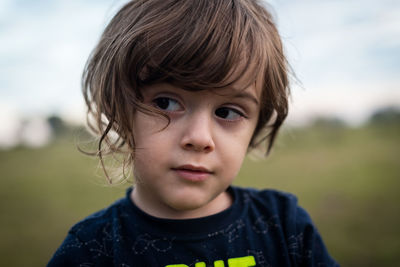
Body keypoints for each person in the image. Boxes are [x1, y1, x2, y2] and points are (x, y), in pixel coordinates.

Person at [48, 0, 339, 266]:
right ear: (119, 108)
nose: (200, 138)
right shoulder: (91, 251)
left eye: (227, 112)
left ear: (256, 125)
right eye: (166, 103)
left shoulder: (285, 227)